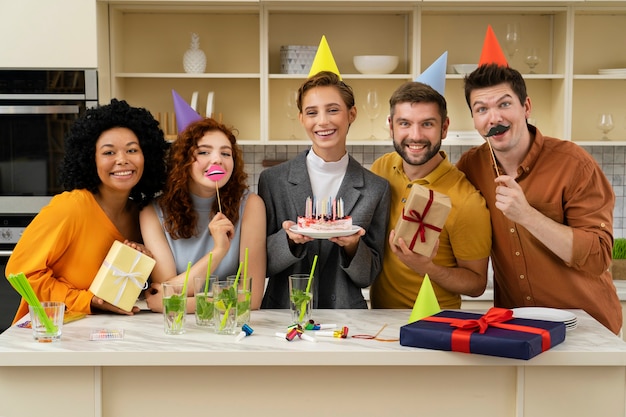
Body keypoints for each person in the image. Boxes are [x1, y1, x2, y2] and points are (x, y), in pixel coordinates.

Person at [456, 63, 622, 335]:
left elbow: (599, 256)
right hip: (516, 328)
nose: (493, 117)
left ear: (527, 107)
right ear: (474, 119)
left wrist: (528, 216)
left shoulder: (574, 165)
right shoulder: (471, 167)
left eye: (504, 104)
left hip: (585, 328)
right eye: (481, 109)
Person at [6, 99, 168, 322]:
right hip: (52, 334)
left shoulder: (141, 216)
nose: (122, 160)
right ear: (90, 159)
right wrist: (88, 301)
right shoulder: (70, 207)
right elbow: (19, 272)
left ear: (146, 157)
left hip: (109, 334)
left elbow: (126, 289)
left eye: (132, 150)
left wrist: (141, 263)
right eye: (109, 153)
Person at [259, 71, 390, 309]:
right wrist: (289, 241)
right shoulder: (273, 181)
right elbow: (261, 264)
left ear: (352, 114)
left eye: (333, 110)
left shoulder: (375, 188)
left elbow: (368, 275)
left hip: (346, 319)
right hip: (282, 315)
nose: (322, 121)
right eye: (312, 112)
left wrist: (352, 246)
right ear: (301, 118)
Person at [370, 81, 492, 309]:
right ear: (391, 126)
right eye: (404, 123)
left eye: (427, 124)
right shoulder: (382, 169)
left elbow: (476, 285)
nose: (415, 136)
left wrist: (426, 267)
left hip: (436, 326)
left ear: (444, 128)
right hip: (379, 323)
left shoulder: (467, 201)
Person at [141, 117, 266, 312]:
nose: (217, 159)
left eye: (226, 153)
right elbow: (165, 290)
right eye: (204, 152)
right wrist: (218, 251)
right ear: (183, 160)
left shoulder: (250, 205)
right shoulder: (152, 212)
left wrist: (180, 305)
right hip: (177, 329)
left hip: (229, 327)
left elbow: (251, 298)